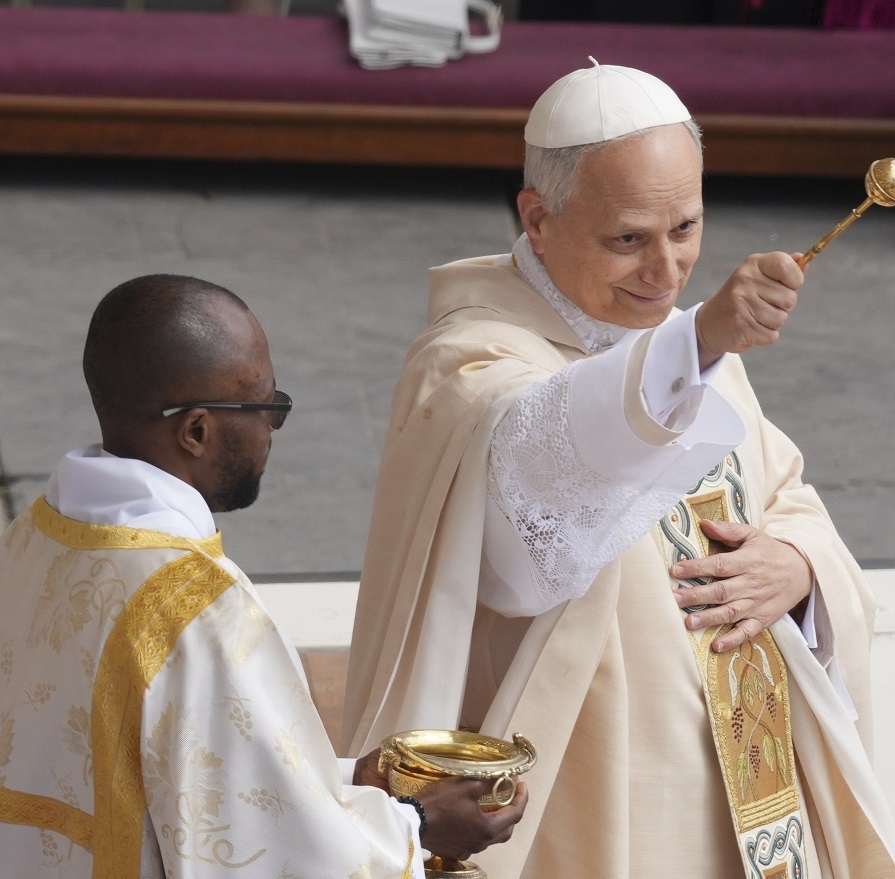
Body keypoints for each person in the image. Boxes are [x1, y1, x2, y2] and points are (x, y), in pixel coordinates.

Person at [343, 63, 895, 878]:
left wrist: (798, 567)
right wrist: (701, 341)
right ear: (537, 219)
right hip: (592, 797)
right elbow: (535, 476)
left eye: (686, 228)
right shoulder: (469, 361)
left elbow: (784, 493)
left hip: (746, 782)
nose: (668, 272)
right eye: (629, 240)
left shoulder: (684, 342)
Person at [0, 274, 526, 877]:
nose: (273, 428)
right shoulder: (198, 612)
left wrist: (342, 779)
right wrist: (420, 825)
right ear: (196, 430)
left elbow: (187, 778)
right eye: (267, 407)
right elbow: (272, 854)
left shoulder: (34, 539)